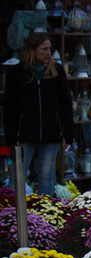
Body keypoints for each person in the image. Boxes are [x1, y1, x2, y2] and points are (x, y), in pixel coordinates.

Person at [3, 32, 74, 196]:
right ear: (33, 50)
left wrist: (68, 132)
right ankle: (13, 215)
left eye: (50, 48)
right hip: (24, 133)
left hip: (51, 132)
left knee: (46, 175)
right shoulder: (17, 73)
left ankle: (45, 215)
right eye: (44, 49)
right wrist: (12, 136)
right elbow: (9, 106)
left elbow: (66, 103)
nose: (48, 52)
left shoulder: (56, 71)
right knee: (17, 176)